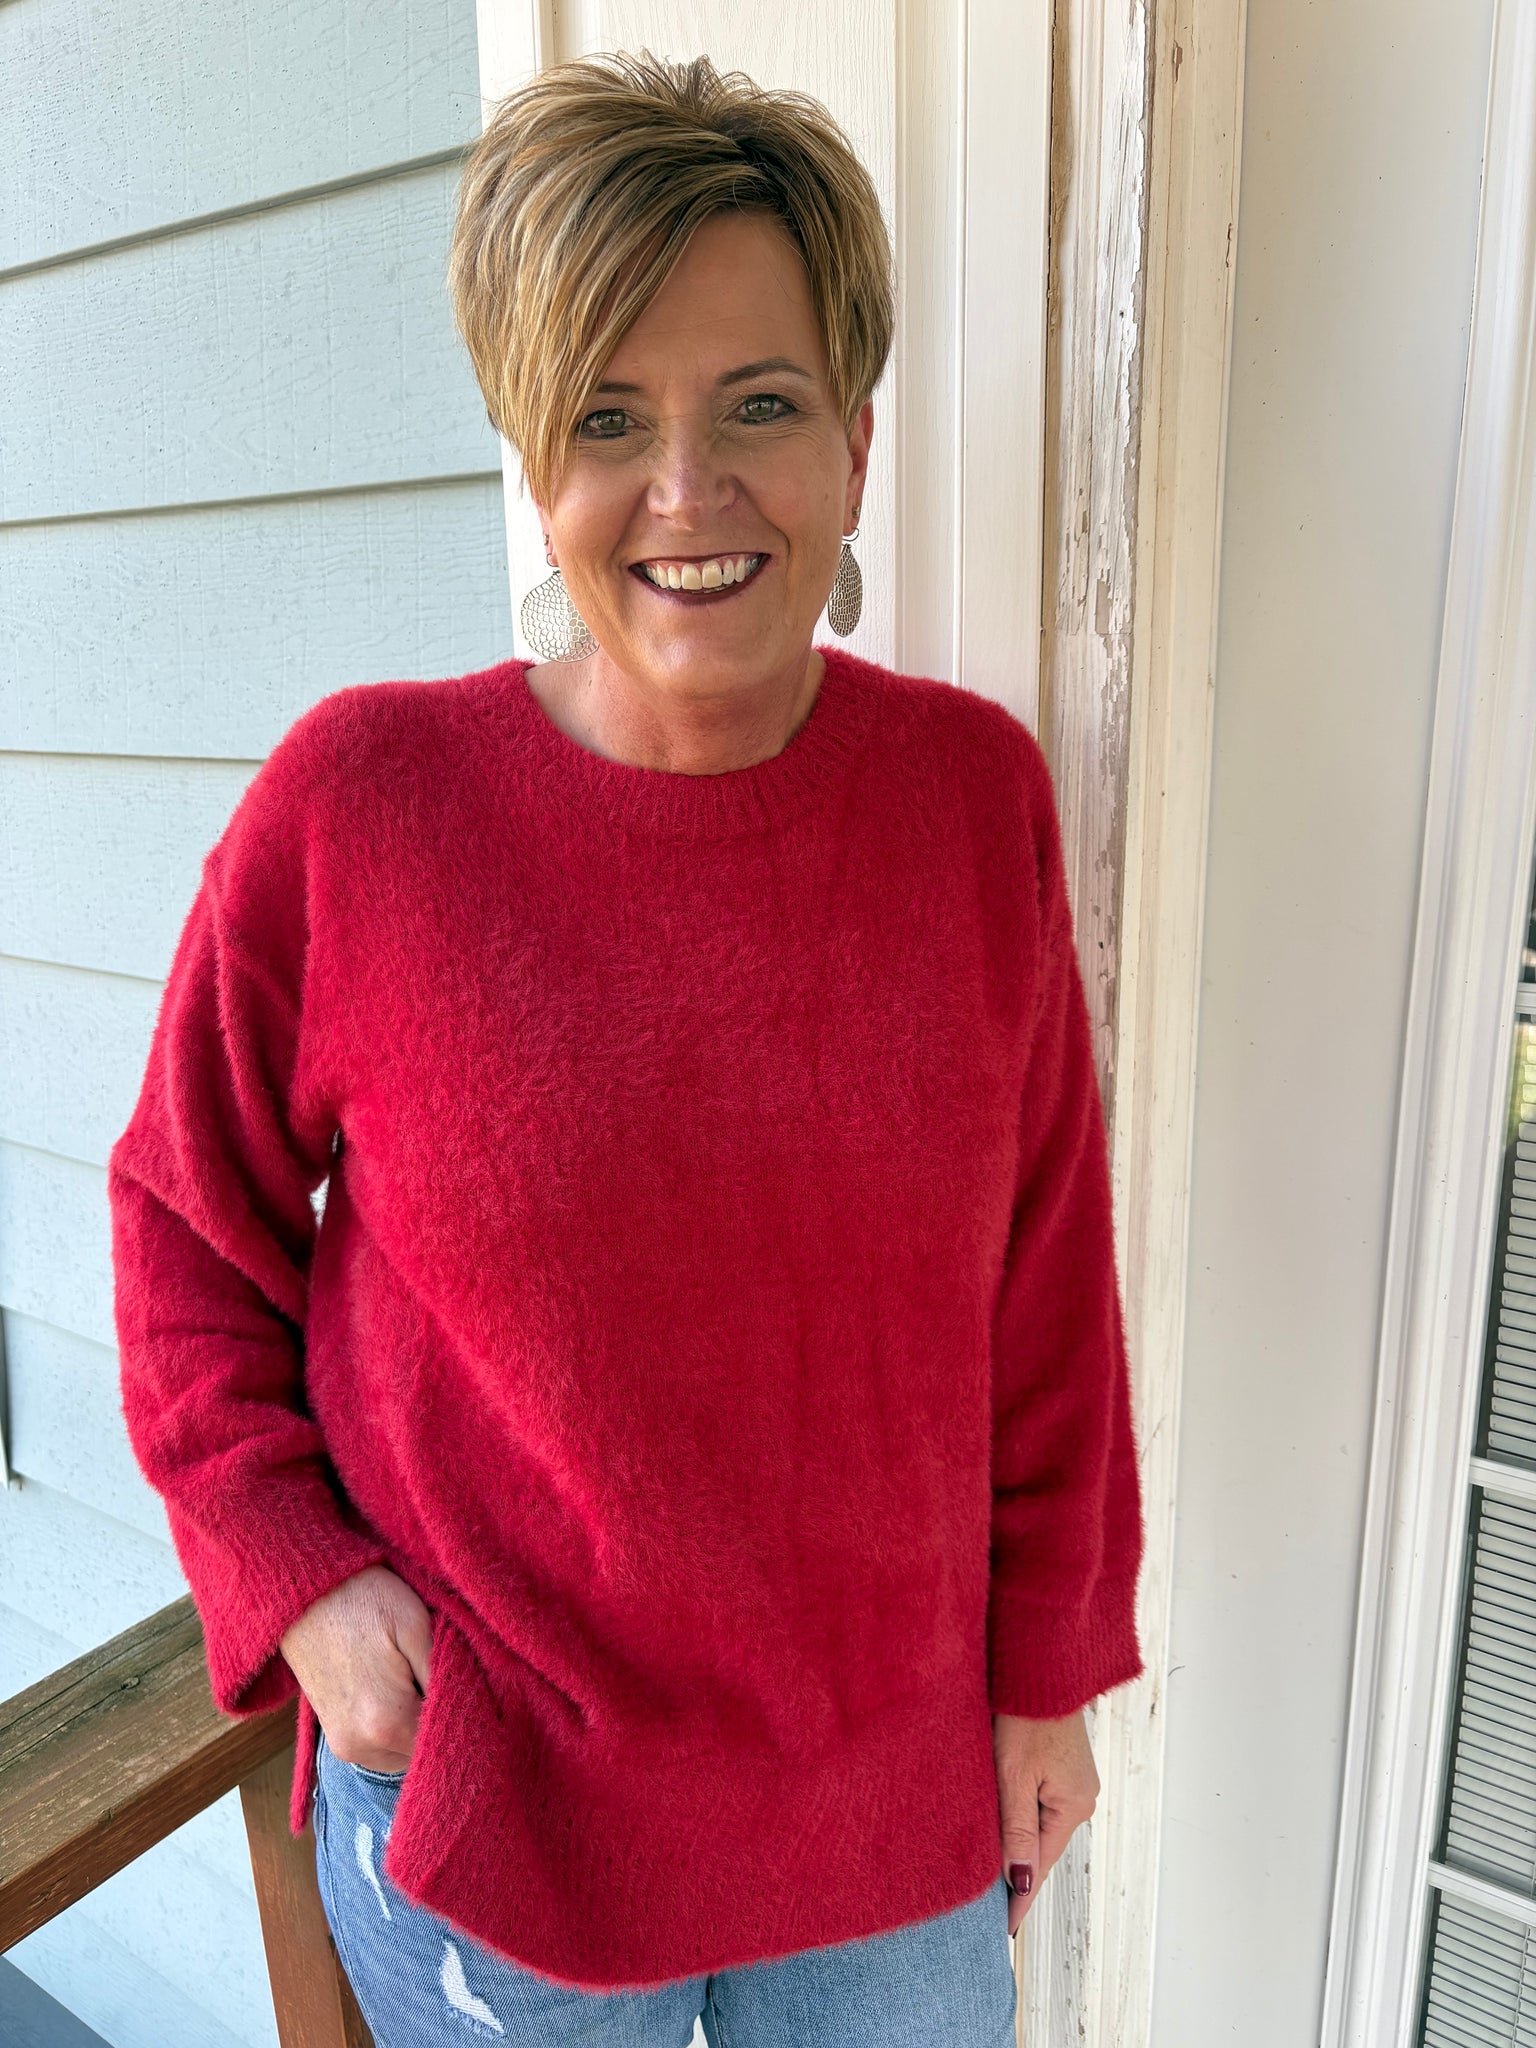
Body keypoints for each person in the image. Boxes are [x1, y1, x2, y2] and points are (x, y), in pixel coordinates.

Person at [107, 48, 1145, 2048]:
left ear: (854, 437)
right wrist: (294, 1576)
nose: (689, 491)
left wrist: (1049, 1671)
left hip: (893, 1819)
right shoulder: (365, 807)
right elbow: (181, 1222)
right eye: (608, 416)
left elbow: (1045, 1289)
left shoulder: (967, 801)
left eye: (760, 403)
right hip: (504, 1812)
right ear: (532, 454)